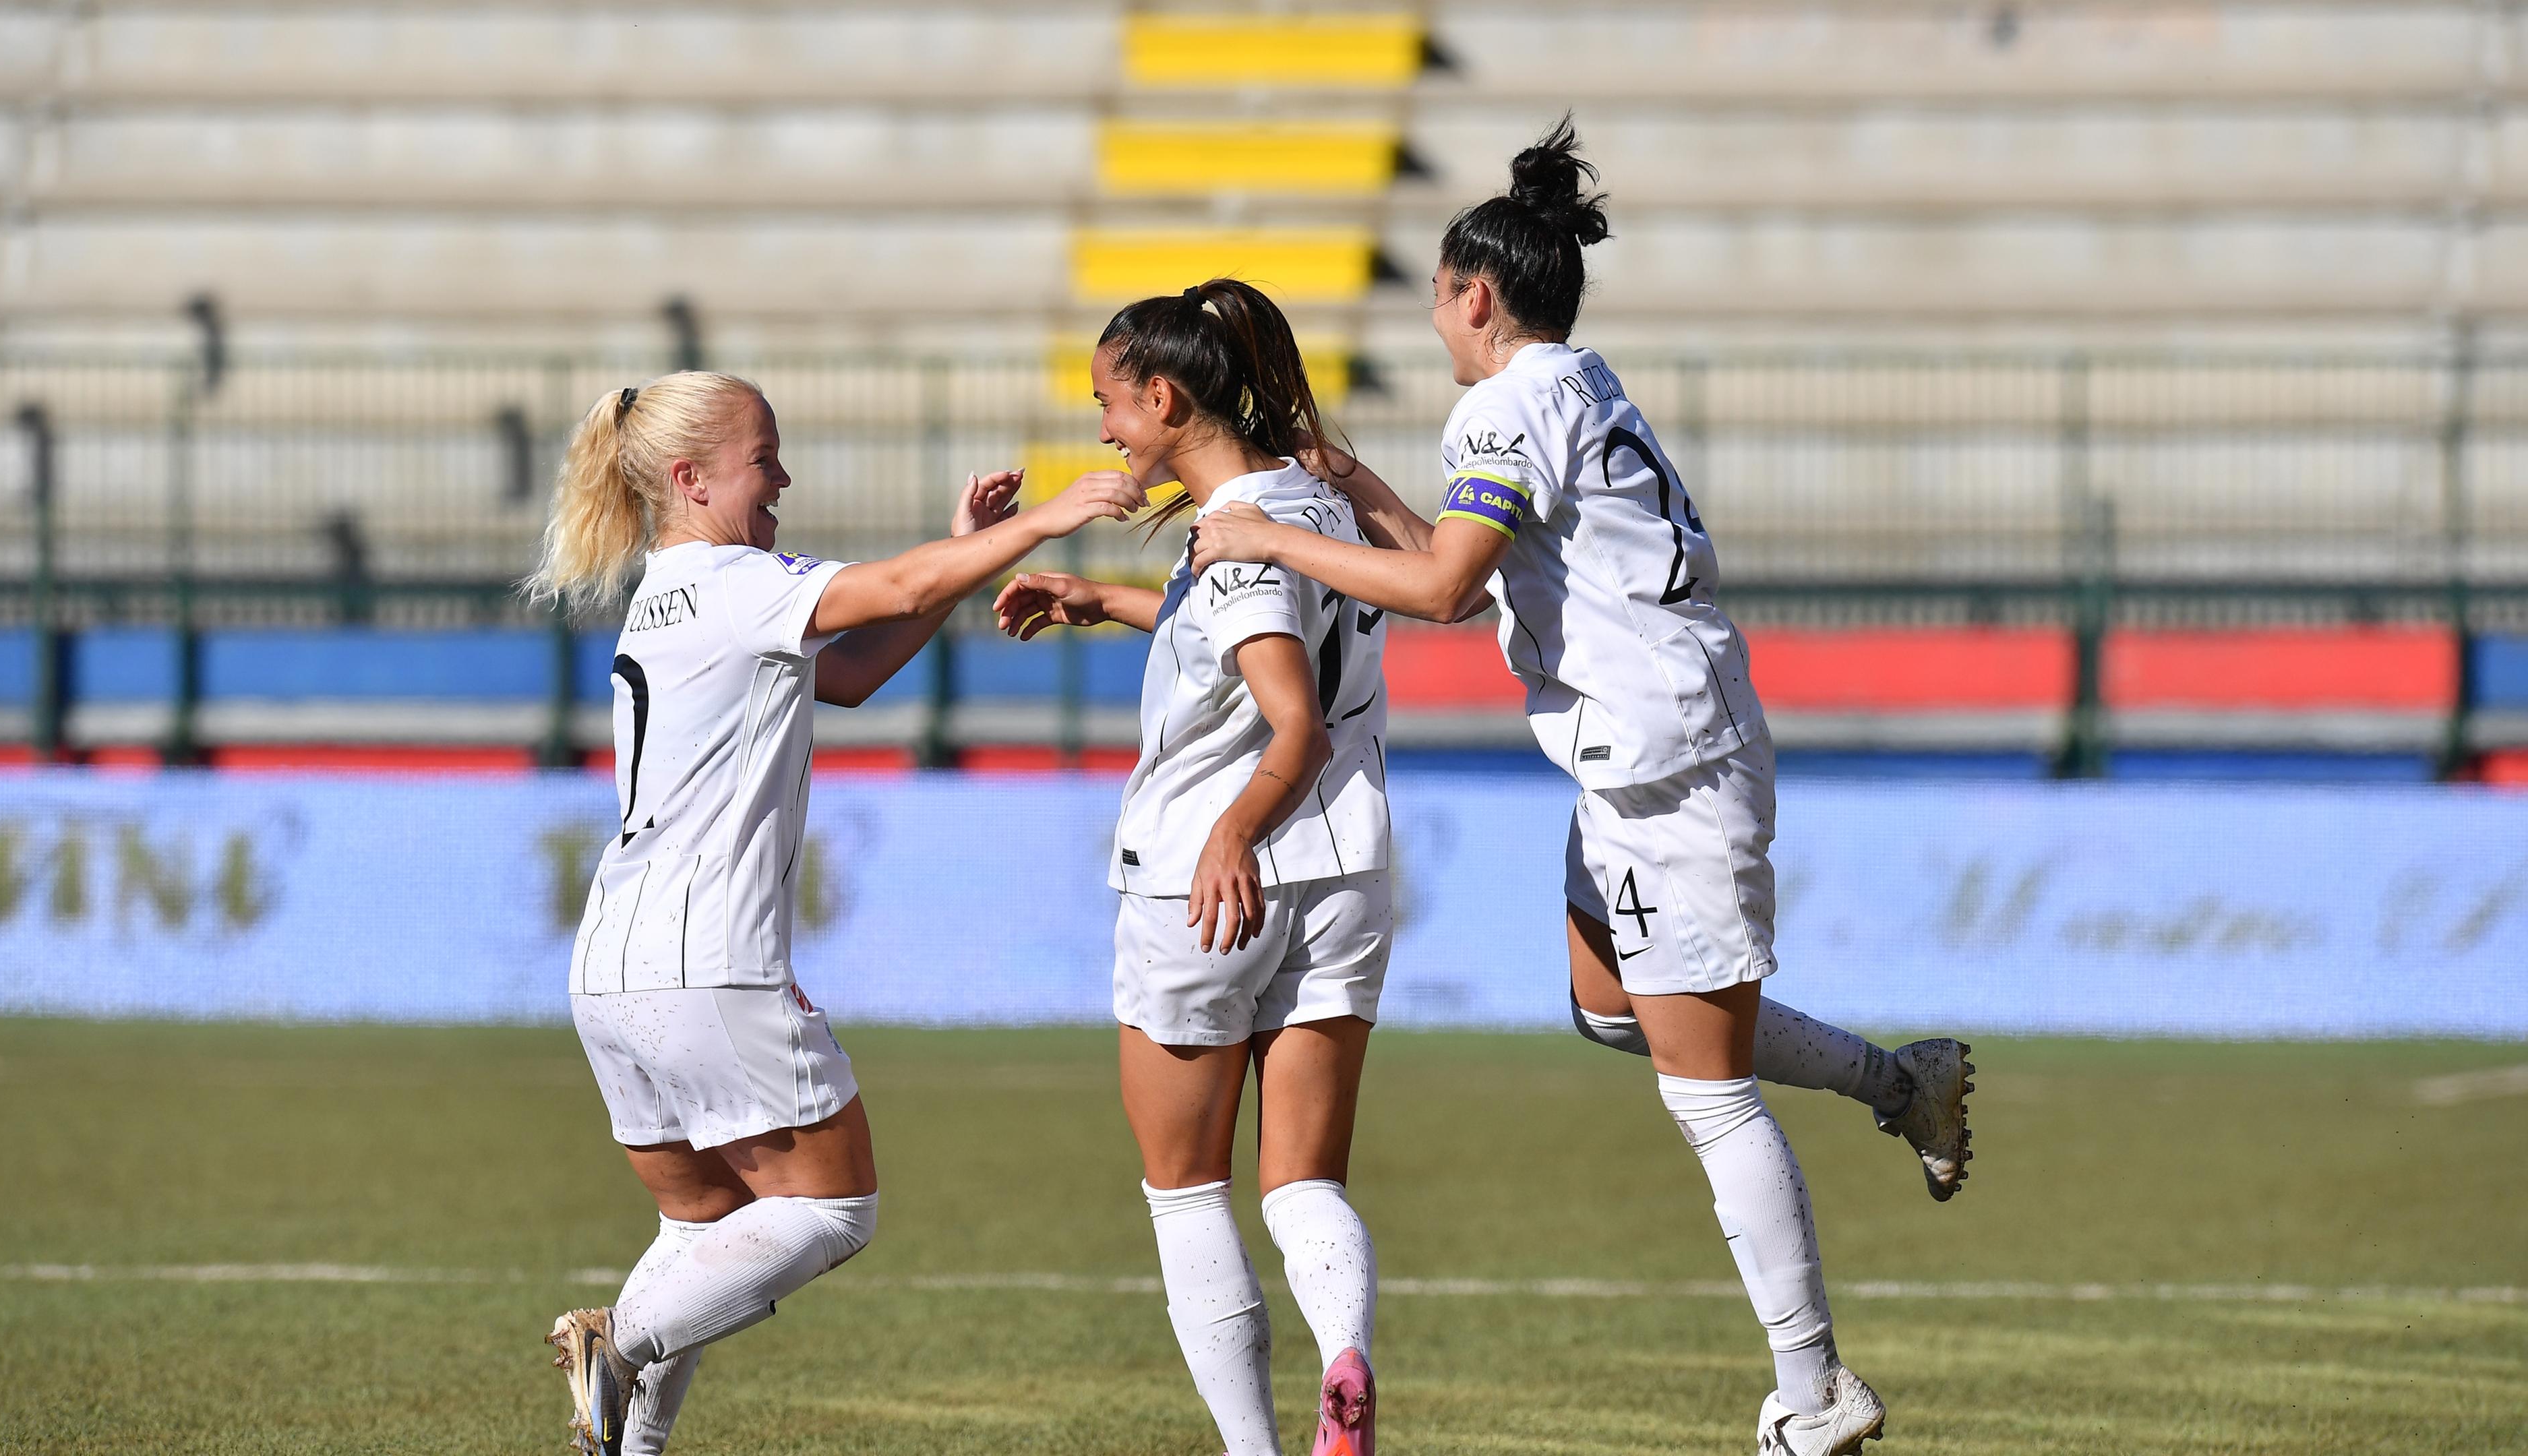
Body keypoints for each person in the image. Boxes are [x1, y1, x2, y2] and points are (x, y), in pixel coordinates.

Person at [1189, 123, 1970, 1455]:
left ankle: (1816, 1387)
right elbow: (1469, 560)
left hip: (1666, 769)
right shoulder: (1572, 382)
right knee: (1615, 1012)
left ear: (1474, 295)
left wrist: (1265, 534)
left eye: (1438, 296)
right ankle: (1901, 1086)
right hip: (1650, 754)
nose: (1435, 321)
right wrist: (1351, 484)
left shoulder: (1499, 407)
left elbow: (1439, 591)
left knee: (1704, 1091)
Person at [520, 369, 1144, 1456]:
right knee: (832, 1209)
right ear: (691, 479)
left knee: (704, 1225)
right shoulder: (731, 578)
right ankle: (620, 1342)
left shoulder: (673, 590)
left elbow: (847, 673)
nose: (784, 478)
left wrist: (952, 564)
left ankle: (625, 1439)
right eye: (765, 459)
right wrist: (1044, 521)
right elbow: (893, 588)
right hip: (705, 958)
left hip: (609, 963)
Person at [992, 278, 1389, 1456]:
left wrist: (1230, 832)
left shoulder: (1231, 537)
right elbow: (1245, 623)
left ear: (1164, 397)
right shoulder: (1311, 500)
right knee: (1304, 1179)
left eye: (1112, 404)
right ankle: (1346, 1353)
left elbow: (1290, 713)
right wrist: (1101, 600)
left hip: (1212, 882)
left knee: (1186, 1188)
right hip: (1346, 869)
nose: (1107, 429)